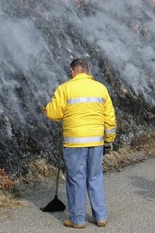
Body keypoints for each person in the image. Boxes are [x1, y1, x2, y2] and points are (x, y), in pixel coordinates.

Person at [44, 58, 117, 228]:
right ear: (87, 71)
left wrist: (47, 109)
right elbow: (110, 117)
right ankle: (101, 217)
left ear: (72, 71)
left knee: (76, 179)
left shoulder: (65, 88)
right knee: (95, 177)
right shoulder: (100, 88)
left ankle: (77, 220)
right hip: (96, 142)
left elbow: (54, 114)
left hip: (74, 142)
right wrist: (109, 139)